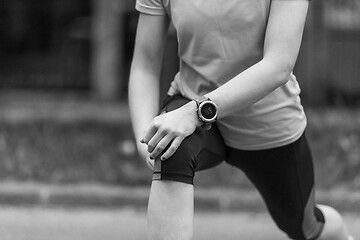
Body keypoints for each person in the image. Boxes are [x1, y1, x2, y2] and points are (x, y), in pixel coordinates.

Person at [128, 0, 353, 240]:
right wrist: (146, 137)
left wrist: (195, 112)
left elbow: (278, 66)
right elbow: (145, 66)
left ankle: (339, 234)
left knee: (305, 227)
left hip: (266, 120)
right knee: (170, 147)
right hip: (191, 99)